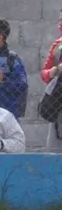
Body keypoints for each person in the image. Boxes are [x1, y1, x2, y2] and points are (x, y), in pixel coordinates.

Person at [39, 8, 62, 151]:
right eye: (60, 20)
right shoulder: (58, 44)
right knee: (55, 147)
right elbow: (44, 73)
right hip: (59, 100)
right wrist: (54, 71)